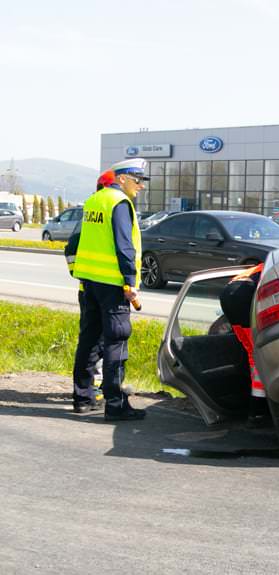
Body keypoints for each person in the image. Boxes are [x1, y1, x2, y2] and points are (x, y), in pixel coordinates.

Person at [72, 159, 148, 421]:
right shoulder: (119, 202)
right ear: (123, 178)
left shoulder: (94, 200)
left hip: (90, 282)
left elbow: (80, 240)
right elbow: (124, 246)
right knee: (117, 340)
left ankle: (82, 399)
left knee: (89, 340)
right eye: (138, 180)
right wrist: (131, 283)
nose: (141, 186)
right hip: (114, 285)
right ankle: (115, 405)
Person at [219, 263, 269, 425]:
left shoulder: (260, 266)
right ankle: (258, 411)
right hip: (244, 293)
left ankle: (255, 411)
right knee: (259, 353)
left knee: (251, 352)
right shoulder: (275, 265)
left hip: (228, 293)